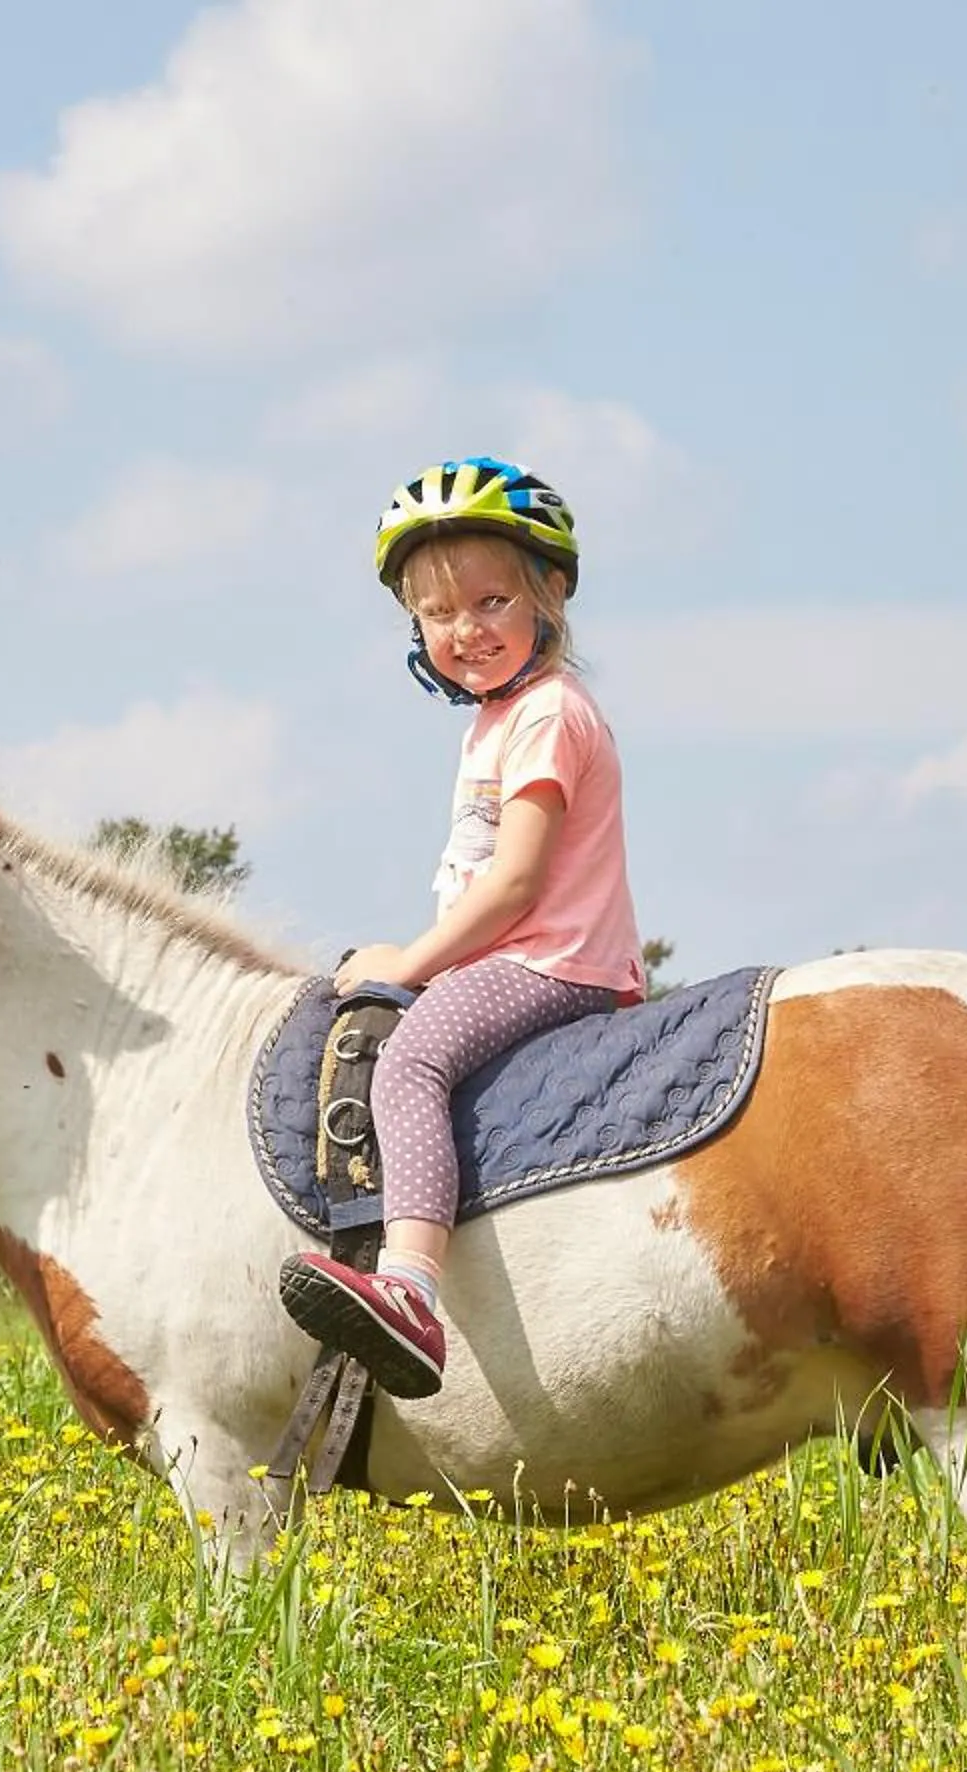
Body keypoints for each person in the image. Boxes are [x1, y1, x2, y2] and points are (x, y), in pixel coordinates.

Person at [278, 458, 644, 1400]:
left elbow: (516, 882)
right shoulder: (501, 718)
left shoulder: (549, 715)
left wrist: (411, 963)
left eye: (491, 602)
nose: (465, 631)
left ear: (550, 592)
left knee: (409, 1062)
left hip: (552, 960)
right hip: (525, 953)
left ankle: (408, 1288)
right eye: (438, 613)